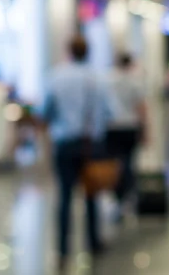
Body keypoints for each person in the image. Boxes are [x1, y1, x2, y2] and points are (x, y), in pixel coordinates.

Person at [41, 36, 109, 270]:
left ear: (69, 51)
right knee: (91, 194)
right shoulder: (96, 79)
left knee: (65, 197)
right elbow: (106, 112)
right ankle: (93, 241)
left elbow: (46, 110)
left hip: (65, 143)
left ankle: (62, 250)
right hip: (90, 144)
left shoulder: (56, 76)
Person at [105, 53, 148, 217]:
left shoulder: (108, 81)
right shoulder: (134, 82)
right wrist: (145, 130)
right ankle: (128, 195)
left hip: (112, 127)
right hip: (130, 126)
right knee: (129, 161)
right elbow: (142, 107)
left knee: (115, 163)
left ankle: (117, 196)